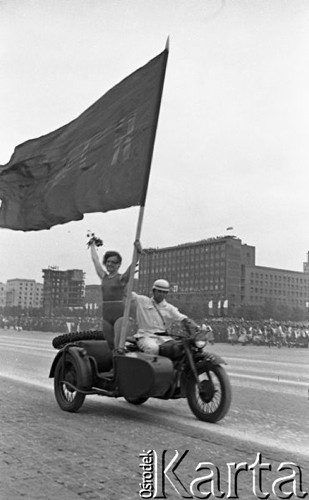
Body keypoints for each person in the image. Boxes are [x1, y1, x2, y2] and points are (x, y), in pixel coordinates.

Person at [89, 236, 140, 349]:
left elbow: (131, 267)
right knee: (110, 345)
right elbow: (95, 260)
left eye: (113, 262)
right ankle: (114, 364)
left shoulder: (121, 278)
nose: (110, 264)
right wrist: (92, 245)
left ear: (118, 265)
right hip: (106, 315)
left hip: (119, 315)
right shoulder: (103, 277)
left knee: (118, 344)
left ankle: (121, 362)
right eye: (108, 262)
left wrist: (138, 251)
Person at [131, 278, 195, 358]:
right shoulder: (142, 301)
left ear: (167, 293)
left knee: (177, 348)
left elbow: (184, 319)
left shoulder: (169, 308)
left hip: (164, 338)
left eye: (164, 292)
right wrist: (126, 278)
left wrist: (197, 329)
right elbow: (127, 293)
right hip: (145, 336)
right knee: (152, 349)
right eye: (159, 291)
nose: (161, 294)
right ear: (153, 291)